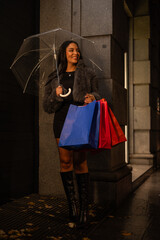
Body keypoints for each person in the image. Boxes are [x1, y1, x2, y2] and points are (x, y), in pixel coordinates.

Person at [43, 40, 100, 228]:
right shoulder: (54, 77)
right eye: (71, 50)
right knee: (65, 162)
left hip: (80, 120)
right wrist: (55, 94)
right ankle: (73, 207)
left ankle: (84, 209)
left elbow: (97, 95)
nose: (75, 53)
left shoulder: (88, 73)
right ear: (64, 53)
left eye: (77, 50)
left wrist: (92, 97)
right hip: (61, 121)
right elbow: (47, 106)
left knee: (80, 162)